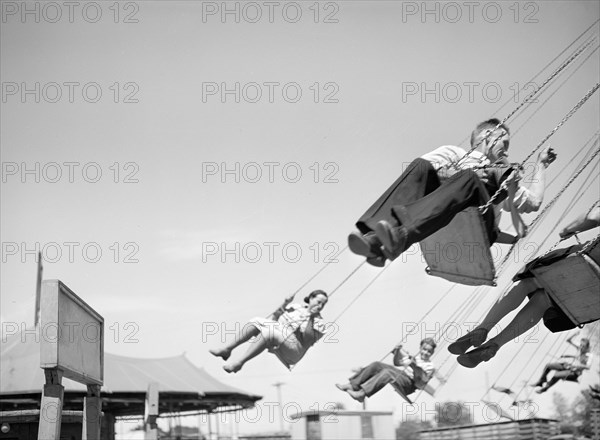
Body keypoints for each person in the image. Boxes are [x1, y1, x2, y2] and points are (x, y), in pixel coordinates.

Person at [348, 118, 556, 266]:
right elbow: (424, 175)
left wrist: (541, 165)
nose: (507, 151)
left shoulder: (504, 175)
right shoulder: (453, 153)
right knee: (421, 166)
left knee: (470, 178)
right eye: (505, 142)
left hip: (477, 228)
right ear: (489, 135)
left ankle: (400, 235)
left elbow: (534, 202)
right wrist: (451, 173)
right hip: (437, 213)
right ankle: (373, 240)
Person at [448, 206, 600, 368]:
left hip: (588, 262)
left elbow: (593, 217)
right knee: (544, 301)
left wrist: (569, 229)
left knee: (529, 280)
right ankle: (494, 345)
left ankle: (483, 328)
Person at [209, 290, 328, 373]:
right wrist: (286, 302)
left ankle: (239, 363)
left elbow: (307, 339)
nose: (321, 305)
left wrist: (311, 317)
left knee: (269, 332)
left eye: (323, 304)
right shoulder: (296, 307)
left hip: (295, 349)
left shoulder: (319, 322)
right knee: (256, 321)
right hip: (280, 336)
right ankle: (227, 349)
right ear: (311, 298)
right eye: (319, 302)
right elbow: (274, 318)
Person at [335, 338, 437, 402]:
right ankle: (353, 385)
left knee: (387, 373)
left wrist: (414, 366)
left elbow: (421, 382)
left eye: (429, 351)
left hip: (409, 384)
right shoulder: (414, 357)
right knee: (377, 365)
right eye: (424, 349)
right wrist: (397, 351)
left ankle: (362, 394)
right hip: (401, 375)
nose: (425, 352)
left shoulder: (430, 366)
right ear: (420, 348)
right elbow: (397, 363)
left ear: (432, 353)